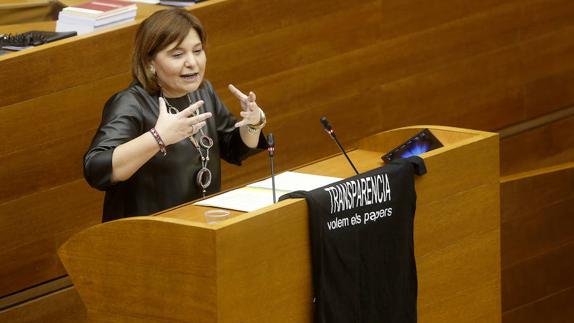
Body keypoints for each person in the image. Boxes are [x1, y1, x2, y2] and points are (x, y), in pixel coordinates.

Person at [84, 9, 267, 222]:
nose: (192, 62)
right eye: (177, 55)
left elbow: (233, 148)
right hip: (143, 236)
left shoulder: (202, 91)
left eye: (197, 51)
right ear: (150, 62)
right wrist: (158, 137)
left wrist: (253, 124)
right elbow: (96, 169)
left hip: (198, 224)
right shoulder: (130, 103)